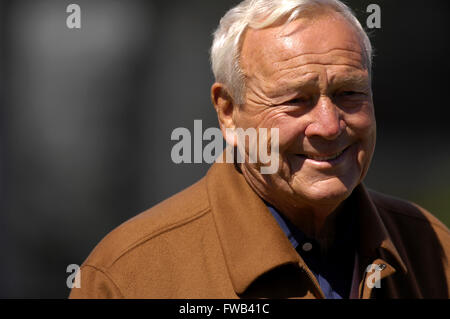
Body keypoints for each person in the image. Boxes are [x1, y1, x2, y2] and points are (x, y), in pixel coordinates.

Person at [69, 0, 450, 299]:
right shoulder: (130, 277)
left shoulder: (432, 249)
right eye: (295, 100)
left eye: (349, 93)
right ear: (229, 112)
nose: (329, 125)